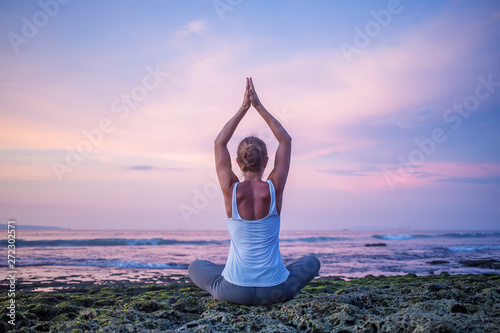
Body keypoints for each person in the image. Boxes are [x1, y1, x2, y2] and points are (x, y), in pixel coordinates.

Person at [188, 78, 320, 305]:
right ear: (266, 161)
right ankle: (270, 275)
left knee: (195, 267)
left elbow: (219, 142)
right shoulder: (274, 187)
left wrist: (243, 108)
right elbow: (285, 140)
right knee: (312, 261)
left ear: (238, 163)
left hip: (233, 291)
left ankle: (236, 274)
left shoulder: (230, 190)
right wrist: (258, 106)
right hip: (276, 291)